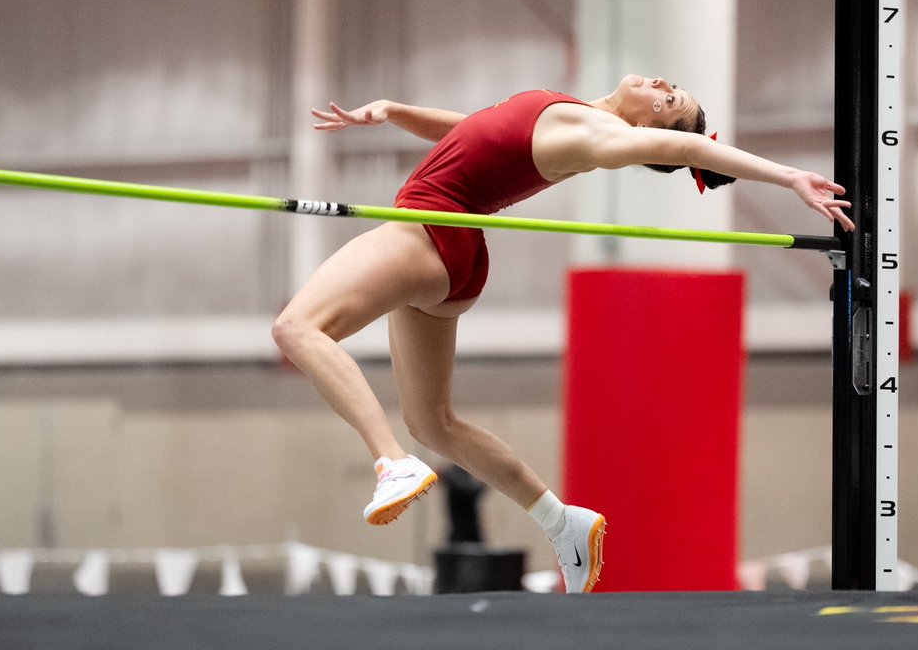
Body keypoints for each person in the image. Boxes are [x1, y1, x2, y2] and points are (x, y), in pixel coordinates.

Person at [271, 75, 854, 594]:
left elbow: (686, 146)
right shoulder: (571, 112)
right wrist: (397, 112)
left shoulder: (602, 136)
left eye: (667, 98)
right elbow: (476, 132)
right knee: (434, 423)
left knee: (298, 327)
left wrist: (788, 177)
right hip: (456, 257)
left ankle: (390, 463)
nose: (657, 83)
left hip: (429, 227)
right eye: (668, 84)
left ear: (646, 122)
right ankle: (562, 523)